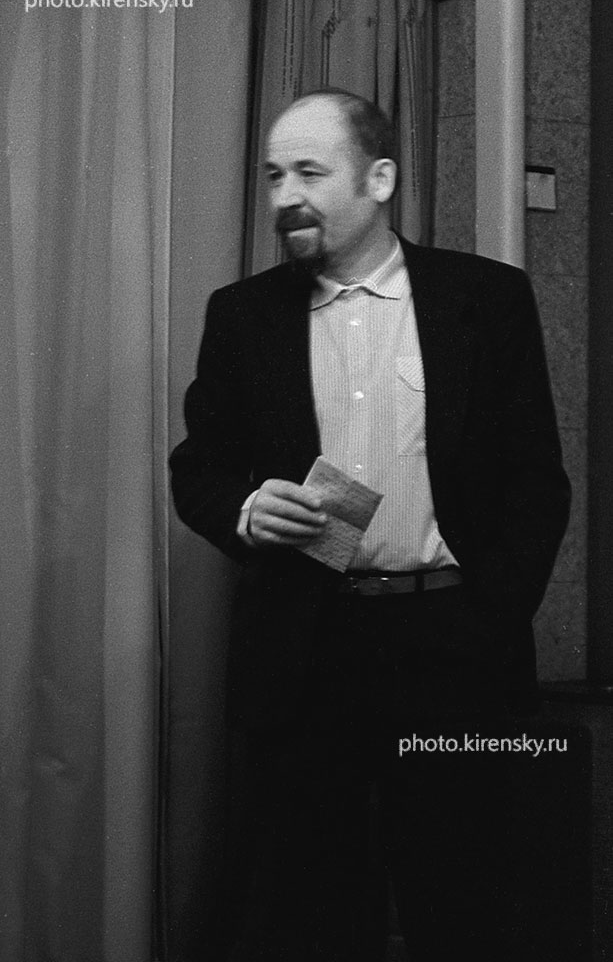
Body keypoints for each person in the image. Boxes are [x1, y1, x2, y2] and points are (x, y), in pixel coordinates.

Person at [170, 88, 571, 962]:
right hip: (306, 652)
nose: (285, 196)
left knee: (461, 899)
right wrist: (245, 507)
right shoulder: (241, 315)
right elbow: (197, 469)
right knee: (309, 910)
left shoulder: (486, 299)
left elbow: (536, 484)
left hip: (453, 651)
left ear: (379, 178)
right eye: (273, 175)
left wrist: (489, 617)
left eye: (310, 173)